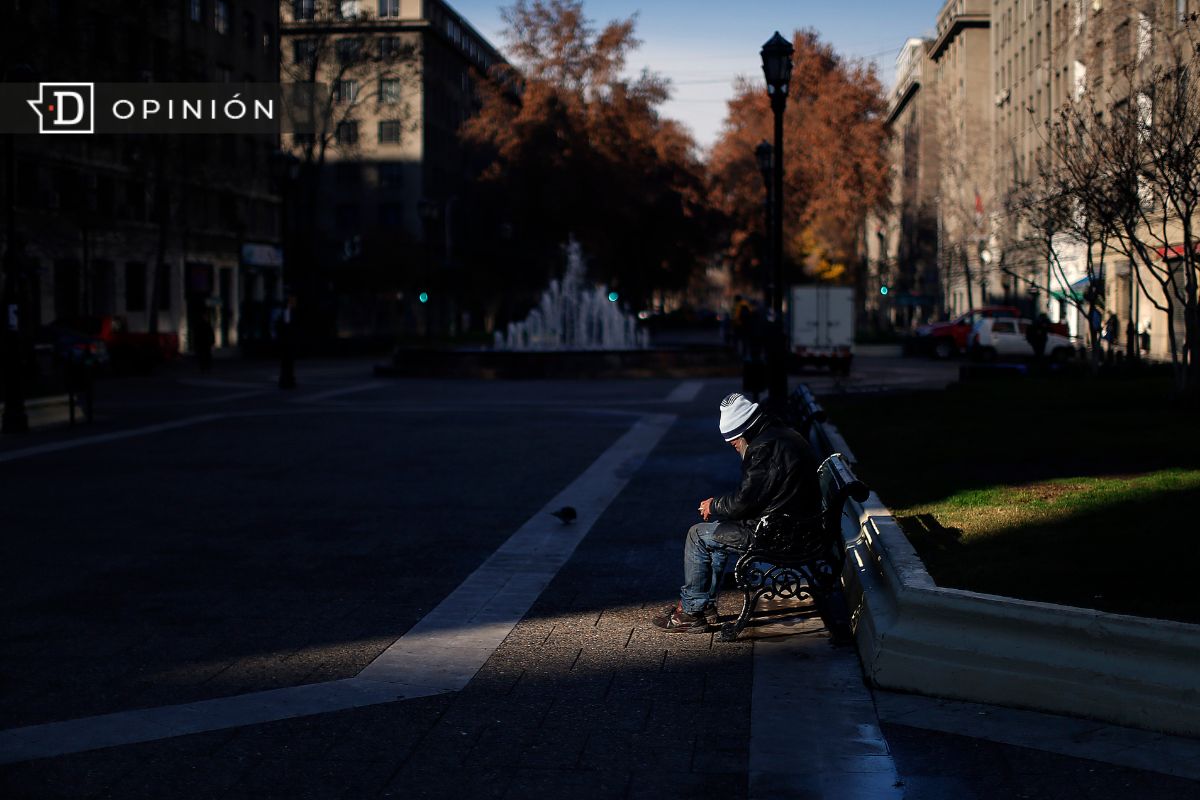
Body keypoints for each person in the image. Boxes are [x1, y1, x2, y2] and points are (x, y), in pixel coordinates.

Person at [652, 392, 823, 633]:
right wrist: (722, 506)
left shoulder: (763, 449)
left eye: (734, 443)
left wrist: (714, 505)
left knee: (697, 535)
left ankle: (691, 611)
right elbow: (754, 496)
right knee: (718, 533)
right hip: (795, 526)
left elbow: (744, 502)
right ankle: (705, 605)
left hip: (777, 534)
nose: (735, 449)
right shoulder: (781, 434)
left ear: (742, 433)